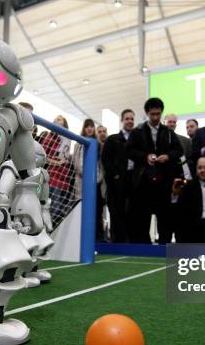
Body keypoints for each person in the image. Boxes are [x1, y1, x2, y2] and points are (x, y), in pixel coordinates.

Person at [126, 97, 182, 244]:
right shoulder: (137, 131)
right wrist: (145, 157)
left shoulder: (168, 132)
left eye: (158, 114)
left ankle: (164, 248)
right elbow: (129, 151)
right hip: (143, 182)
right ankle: (144, 249)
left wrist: (168, 156)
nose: (156, 117)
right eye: (152, 114)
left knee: (165, 219)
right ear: (146, 113)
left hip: (164, 182)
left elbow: (179, 150)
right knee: (142, 219)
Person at [101, 109, 134, 242]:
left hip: (133, 184)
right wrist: (116, 176)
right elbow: (106, 160)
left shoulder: (139, 139)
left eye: (132, 119)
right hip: (116, 186)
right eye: (127, 118)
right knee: (116, 215)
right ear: (122, 120)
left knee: (132, 215)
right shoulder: (112, 139)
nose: (130, 121)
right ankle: (117, 245)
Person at [35, 115, 74, 228]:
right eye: (55, 119)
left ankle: (51, 228)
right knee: (53, 206)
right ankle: (46, 228)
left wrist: (62, 162)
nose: (57, 120)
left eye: (60, 119)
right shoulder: (50, 137)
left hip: (64, 179)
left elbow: (65, 158)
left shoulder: (67, 138)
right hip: (52, 176)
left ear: (64, 123)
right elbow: (43, 155)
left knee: (60, 208)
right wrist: (57, 163)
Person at [73, 118, 105, 241]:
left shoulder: (98, 145)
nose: (90, 128)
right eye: (87, 126)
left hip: (95, 183)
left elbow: (101, 165)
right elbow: (76, 163)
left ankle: (98, 238)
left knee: (96, 212)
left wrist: (98, 178)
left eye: (92, 126)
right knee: (80, 209)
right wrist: (85, 174)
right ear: (84, 128)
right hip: (81, 182)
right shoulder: (78, 144)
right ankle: (80, 238)